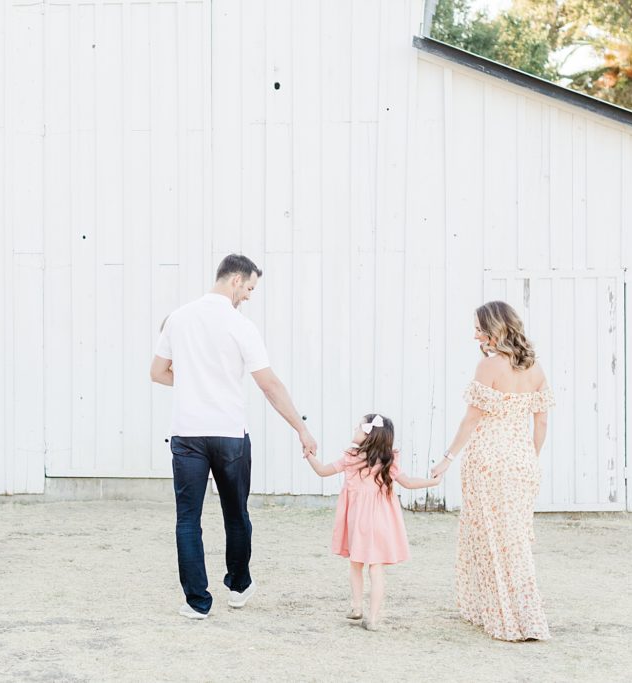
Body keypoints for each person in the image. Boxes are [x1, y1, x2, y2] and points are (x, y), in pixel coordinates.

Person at [150, 253, 317, 620]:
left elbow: (158, 372)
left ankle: (197, 602)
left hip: (188, 434)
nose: (250, 296)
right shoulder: (240, 325)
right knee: (236, 513)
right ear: (236, 280)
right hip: (228, 434)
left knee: (187, 519)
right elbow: (269, 384)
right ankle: (239, 585)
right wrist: (300, 427)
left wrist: (192, 382)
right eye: (251, 288)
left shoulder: (178, 318)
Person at [430, 301, 555, 641]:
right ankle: (520, 614)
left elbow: (471, 419)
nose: (474, 335)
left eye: (478, 329)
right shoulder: (536, 369)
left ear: (494, 329)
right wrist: (530, 457)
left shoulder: (489, 366)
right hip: (521, 460)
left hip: (488, 460)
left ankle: (503, 615)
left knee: (489, 537)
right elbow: (541, 420)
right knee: (514, 539)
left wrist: (446, 458)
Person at [306, 413, 441, 630]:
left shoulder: (351, 458)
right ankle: (374, 618)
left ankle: (357, 606)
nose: (355, 429)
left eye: (358, 427)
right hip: (381, 522)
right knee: (376, 569)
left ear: (368, 434)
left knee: (356, 564)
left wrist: (309, 455)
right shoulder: (389, 460)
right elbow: (408, 482)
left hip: (358, 520)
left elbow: (322, 471)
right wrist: (432, 483)